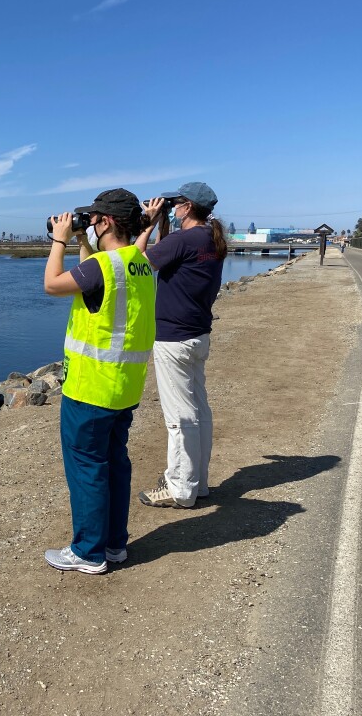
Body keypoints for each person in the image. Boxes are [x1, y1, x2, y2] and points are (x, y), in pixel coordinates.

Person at [42, 188, 157, 574]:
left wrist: (59, 239)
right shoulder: (138, 262)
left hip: (90, 388)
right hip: (123, 387)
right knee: (115, 465)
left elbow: (53, 284)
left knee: (87, 468)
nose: (87, 224)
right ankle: (113, 546)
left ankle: (87, 552)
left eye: (92, 220)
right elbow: (95, 285)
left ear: (106, 221)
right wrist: (80, 240)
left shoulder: (103, 268)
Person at [135, 182, 226, 508]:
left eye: (177, 203)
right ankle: (197, 482)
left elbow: (139, 264)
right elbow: (168, 255)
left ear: (187, 206)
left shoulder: (185, 239)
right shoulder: (209, 238)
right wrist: (163, 224)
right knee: (198, 412)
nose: (172, 207)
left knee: (179, 417)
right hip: (198, 335)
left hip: (174, 339)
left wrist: (147, 222)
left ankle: (179, 489)